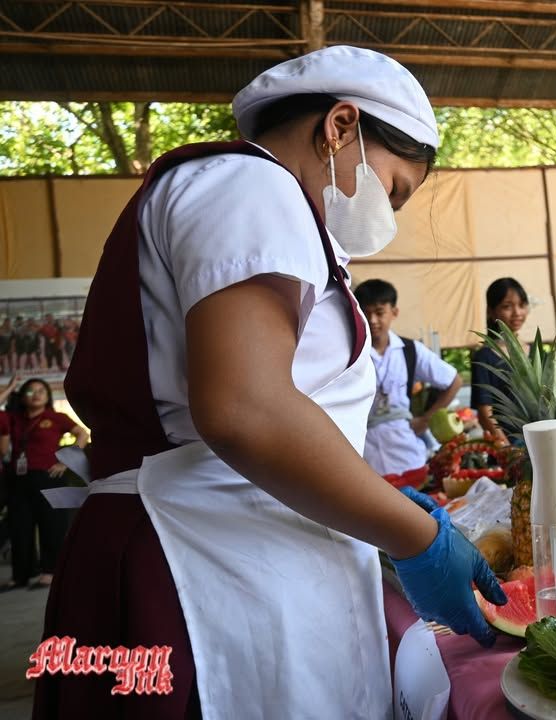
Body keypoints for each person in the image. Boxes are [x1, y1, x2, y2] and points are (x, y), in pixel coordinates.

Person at [35, 46, 504, 719]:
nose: (389, 216)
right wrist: (415, 537)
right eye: (394, 188)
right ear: (341, 126)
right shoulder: (253, 186)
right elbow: (246, 408)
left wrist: (382, 508)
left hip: (237, 553)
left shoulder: (265, 204)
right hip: (200, 564)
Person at [355, 279, 463, 476]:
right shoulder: (351, 353)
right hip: (363, 448)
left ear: (394, 312)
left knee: (416, 496)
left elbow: (454, 381)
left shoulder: (410, 350)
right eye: (366, 313)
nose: (372, 320)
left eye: (379, 313)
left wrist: (426, 419)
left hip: (405, 447)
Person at [2, 378, 88, 592]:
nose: (37, 394)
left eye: (42, 390)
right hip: (18, 479)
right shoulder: (14, 419)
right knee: (19, 527)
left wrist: (65, 462)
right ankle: (20, 575)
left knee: (51, 526)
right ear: (22, 397)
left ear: (48, 396)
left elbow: (82, 433)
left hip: (48, 476)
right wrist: (11, 387)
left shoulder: (55, 417)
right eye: (31, 391)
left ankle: (50, 572)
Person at [471, 277, 529, 445]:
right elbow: (484, 411)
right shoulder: (484, 357)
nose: (517, 312)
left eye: (521, 305)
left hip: (538, 442)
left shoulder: (536, 353)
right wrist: (507, 449)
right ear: (491, 311)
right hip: (505, 448)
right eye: (507, 306)